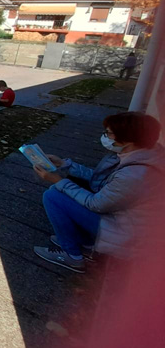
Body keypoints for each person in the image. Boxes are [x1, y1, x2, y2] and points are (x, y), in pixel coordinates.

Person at [31, 112, 164, 272]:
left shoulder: (136, 174)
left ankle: (72, 256)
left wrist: (58, 180)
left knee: (53, 196)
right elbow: (103, 180)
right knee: (58, 191)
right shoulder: (141, 154)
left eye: (108, 133)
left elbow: (95, 204)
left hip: (127, 235)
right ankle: (82, 242)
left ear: (128, 139)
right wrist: (65, 164)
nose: (105, 137)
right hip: (120, 216)